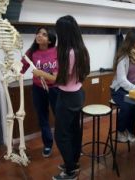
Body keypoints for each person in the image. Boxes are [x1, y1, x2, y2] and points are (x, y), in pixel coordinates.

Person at [32, 15, 90, 180]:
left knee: (61, 135)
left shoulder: (69, 52)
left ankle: (70, 171)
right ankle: (73, 163)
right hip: (77, 93)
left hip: (68, 97)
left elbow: (61, 79)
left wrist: (41, 73)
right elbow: (78, 75)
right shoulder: (80, 49)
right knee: (74, 131)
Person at [20, 27, 57, 158]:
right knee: (42, 117)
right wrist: (14, 73)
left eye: (44, 34)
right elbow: (21, 68)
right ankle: (48, 144)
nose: (39, 36)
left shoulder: (56, 51)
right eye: (38, 33)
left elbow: (58, 74)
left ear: (50, 39)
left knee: (60, 116)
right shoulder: (31, 52)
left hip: (55, 89)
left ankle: (64, 142)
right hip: (38, 89)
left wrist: (43, 74)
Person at [110, 28, 135, 143]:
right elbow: (122, 80)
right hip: (120, 89)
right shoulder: (124, 56)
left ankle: (131, 130)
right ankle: (120, 130)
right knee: (128, 106)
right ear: (131, 40)